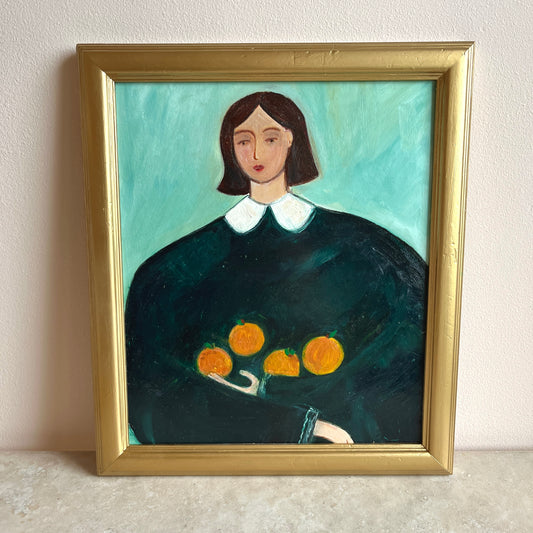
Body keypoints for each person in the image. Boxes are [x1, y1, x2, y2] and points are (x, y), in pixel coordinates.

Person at [125, 92, 427, 445]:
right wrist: (284, 421)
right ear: (229, 147)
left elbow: (412, 349)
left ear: (291, 140)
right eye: (244, 141)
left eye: (270, 139)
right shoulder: (171, 271)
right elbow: (147, 389)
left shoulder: (369, 253)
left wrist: (281, 394)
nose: (256, 154)